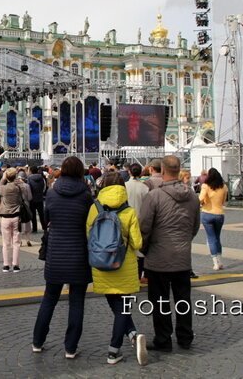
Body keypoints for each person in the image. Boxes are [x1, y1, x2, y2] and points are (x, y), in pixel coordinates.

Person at [138, 155, 200, 352]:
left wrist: (145, 249)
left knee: (160, 300)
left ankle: (163, 338)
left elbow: (144, 227)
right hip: (182, 256)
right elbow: (195, 226)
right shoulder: (192, 195)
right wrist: (184, 242)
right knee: (183, 299)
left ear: (162, 171)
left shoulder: (154, 196)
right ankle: (185, 337)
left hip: (158, 257)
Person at [32, 156, 93, 359]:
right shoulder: (85, 194)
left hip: (56, 251)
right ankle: (70, 347)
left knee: (49, 298)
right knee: (77, 301)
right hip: (78, 252)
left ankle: (38, 341)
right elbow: (89, 222)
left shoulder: (51, 192)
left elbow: (47, 219)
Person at [86, 172, 147, 366]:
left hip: (101, 264)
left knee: (115, 304)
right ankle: (113, 350)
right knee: (124, 307)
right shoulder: (128, 212)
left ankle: (133, 334)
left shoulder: (93, 209)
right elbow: (137, 243)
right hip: (124, 265)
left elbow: (89, 236)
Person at [0, 167, 30, 273]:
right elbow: (25, 191)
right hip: (16, 216)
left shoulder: (4, 188)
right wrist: (18, 181)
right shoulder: (18, 187)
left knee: (6, 243)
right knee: (16, 242)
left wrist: (3, 179)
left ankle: (6, 265)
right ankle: (16, 265)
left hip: (5, 216)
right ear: (15, 176)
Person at [199, 167, 227, 271]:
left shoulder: (205, 186)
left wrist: (202, 203)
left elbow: (200, 199)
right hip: (219, 213)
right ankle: (220, 261)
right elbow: (224, 201)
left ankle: (215, 262)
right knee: (217, 238)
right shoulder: (224, 186)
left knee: (211, 238)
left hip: (207, 213)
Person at [125, 162, 149, 282]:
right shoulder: (145, 188)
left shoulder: (124, 186)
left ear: (129, 172)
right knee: (139, 250)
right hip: (141, 220)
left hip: (126, 220)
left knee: (128, 249)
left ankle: (128, 277)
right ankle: (138, 277)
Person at [27, 165, 48, 233]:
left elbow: (28, 188)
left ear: (31, 171)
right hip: (40, 198)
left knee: (33, 214)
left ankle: (34, 228)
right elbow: (44, 187)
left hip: (32, 199)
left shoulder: (29, 178)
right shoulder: (42, 178)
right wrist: (41, 193)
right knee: (41, 214)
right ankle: (44, 227)